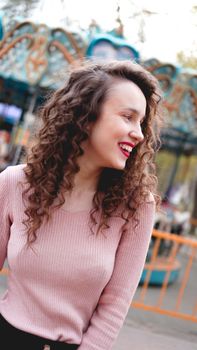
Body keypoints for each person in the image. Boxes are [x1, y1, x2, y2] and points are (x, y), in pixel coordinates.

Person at [0, 59, 162, 349]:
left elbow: (115, 305)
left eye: (141, 122)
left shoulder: (136, 206)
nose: (139, 133)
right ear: (86, 116)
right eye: (128, 117)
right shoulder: (15, 183)